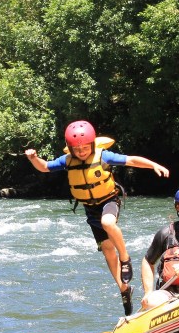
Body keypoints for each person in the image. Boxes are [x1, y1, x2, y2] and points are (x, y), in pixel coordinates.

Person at [25, 120, 170, 315]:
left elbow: (132, 160)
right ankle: (124, 288)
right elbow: (44, 167)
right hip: (90, 208)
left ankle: (126, 259)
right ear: (70, 148)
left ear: (92, 145)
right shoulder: (67, 161)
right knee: (108, 250)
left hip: (109, 200)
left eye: (85, 147)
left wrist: (153, 165)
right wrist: (33, 158)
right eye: (77, 149)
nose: (82, 151)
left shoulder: (104, 156)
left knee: (108, 222)